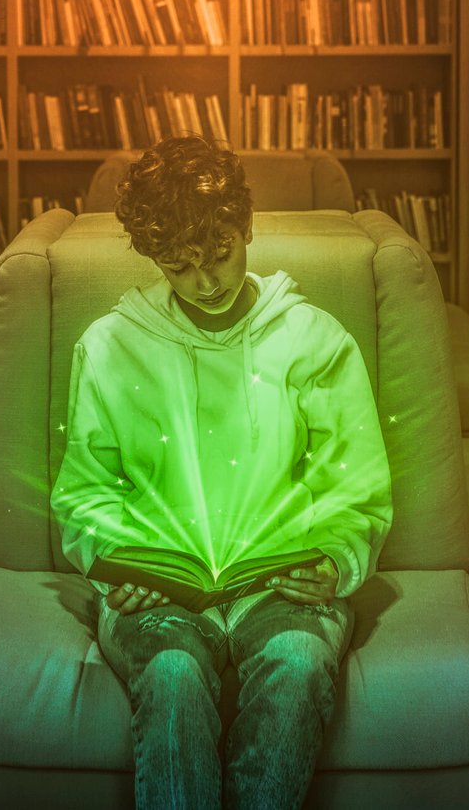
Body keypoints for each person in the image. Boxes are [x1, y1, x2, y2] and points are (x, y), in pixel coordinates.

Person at [50, 134, 393, 810]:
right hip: (161, 594)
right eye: (179, 267)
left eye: (219, 254)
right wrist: (116, 561)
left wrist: (336, 558)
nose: (205, 282)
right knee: (172, 673)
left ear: (247, 227)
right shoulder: (110, 347)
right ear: (155, 260)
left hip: (281, 586)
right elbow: (85, 490)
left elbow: (354, 481)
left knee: (298, 663)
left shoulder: (313, 339)